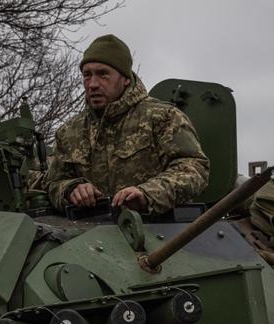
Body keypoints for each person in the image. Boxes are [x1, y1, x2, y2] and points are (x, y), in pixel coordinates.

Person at [45, 35, 209, 216]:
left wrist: (147, 194)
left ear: (125, 79)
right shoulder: (69, 132)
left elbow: (194, 169)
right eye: (87, 75)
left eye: (103, 74)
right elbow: (54, 182)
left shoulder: (162, 117)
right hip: (90, 234)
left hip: (158, 229)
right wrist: (71, 189)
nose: (92, 84)